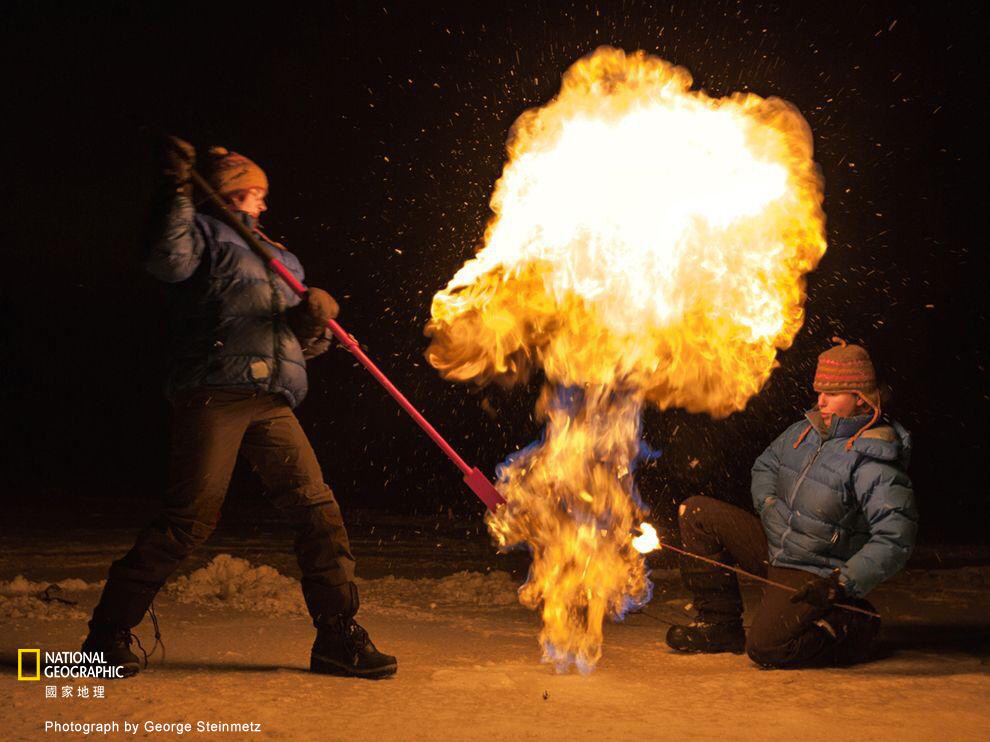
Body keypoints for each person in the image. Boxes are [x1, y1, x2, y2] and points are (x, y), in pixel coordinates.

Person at [81, 138, 396, 678]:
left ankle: (337, 638)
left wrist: (312, 322)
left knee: (316, 510)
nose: (265, 205)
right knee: (188, 520)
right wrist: (176, 187)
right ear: (233, 192)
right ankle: (104, 641)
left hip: (270, 400)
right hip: (214, 391)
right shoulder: (202, 235)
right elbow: (165, 258)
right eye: (257, 193)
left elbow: (297, 345)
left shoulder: (281, 257)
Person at [665, 338, 917, 667]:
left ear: (859, 399)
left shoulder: (874, 459)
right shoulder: (805, 431)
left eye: (831, 394)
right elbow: (765, 466)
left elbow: (896, 538)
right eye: (819, 391)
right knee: (697, 512)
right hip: (777, 544)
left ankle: (853, 623)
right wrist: (769, 505)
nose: (821, 401)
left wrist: (839, 584)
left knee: (767, 648)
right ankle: (719, 624)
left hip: (814, 570)